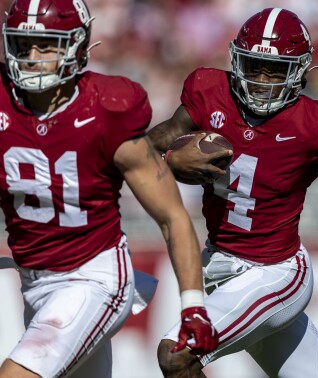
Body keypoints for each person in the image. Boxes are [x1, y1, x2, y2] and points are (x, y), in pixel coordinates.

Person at [149, 7, 318, 378]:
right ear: (237, 61)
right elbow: (153, 143)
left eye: (276, 70)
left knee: (177, 354)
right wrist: (169, 158)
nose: (263, 80)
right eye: (254, 67)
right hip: (218, 265)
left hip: (276, 271)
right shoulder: (210, 92)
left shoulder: (316, 121)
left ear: (299, 72)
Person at [0, 0, 218, 377]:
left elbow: (171, 217)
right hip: (34, 280)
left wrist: (192, 305)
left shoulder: (106, 108)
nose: (32, 56)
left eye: (47, 44)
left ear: (78, 46)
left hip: (95, 277)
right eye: (23, 44)